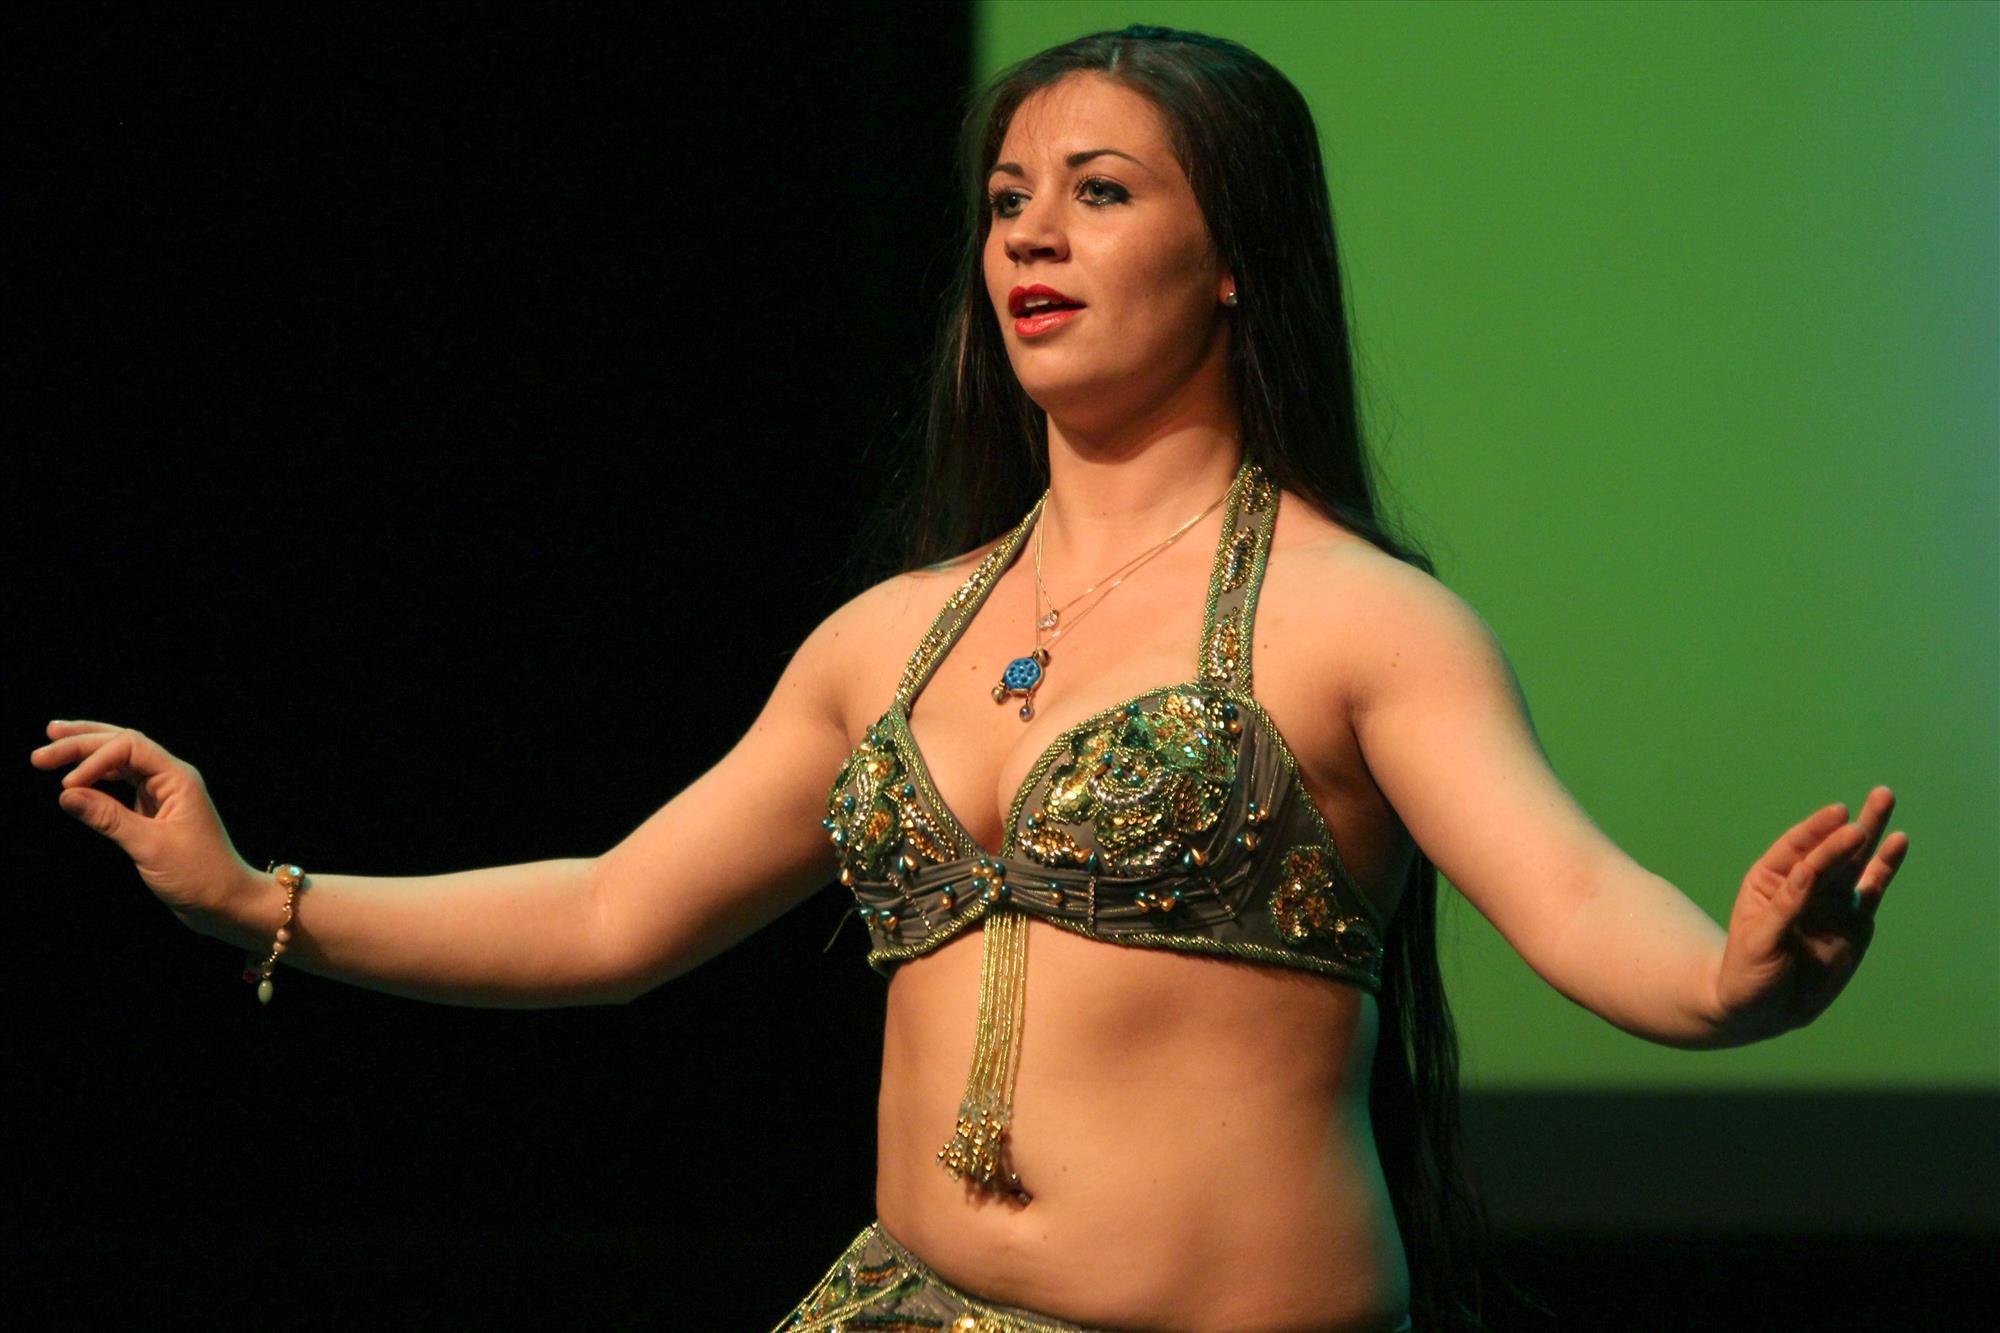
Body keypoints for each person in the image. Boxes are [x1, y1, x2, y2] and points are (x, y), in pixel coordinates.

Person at [31, 25, 1907, 1333]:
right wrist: (258, 895)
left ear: (1235, 259)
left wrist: (1736, 982)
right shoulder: (890, 635)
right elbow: (614, 910)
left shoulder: (1361, 621)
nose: (1032, 235)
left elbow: (1575, 900)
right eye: (1010, 199)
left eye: (1100, 192)